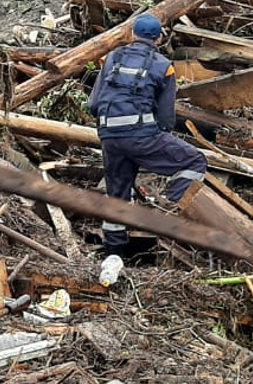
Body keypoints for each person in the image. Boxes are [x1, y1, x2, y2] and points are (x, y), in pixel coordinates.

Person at [86, 14, 207, 254]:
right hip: (142, 135)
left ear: (132, 35)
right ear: (159, 38)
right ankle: (169, 208)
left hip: (109, 136)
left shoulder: (111, 59)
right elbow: (165, 117)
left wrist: (112, 131)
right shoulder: (164, 66)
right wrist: (155, 139)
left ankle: (114, 252)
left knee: (117, 194)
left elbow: (93, 104)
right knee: (194, 161)